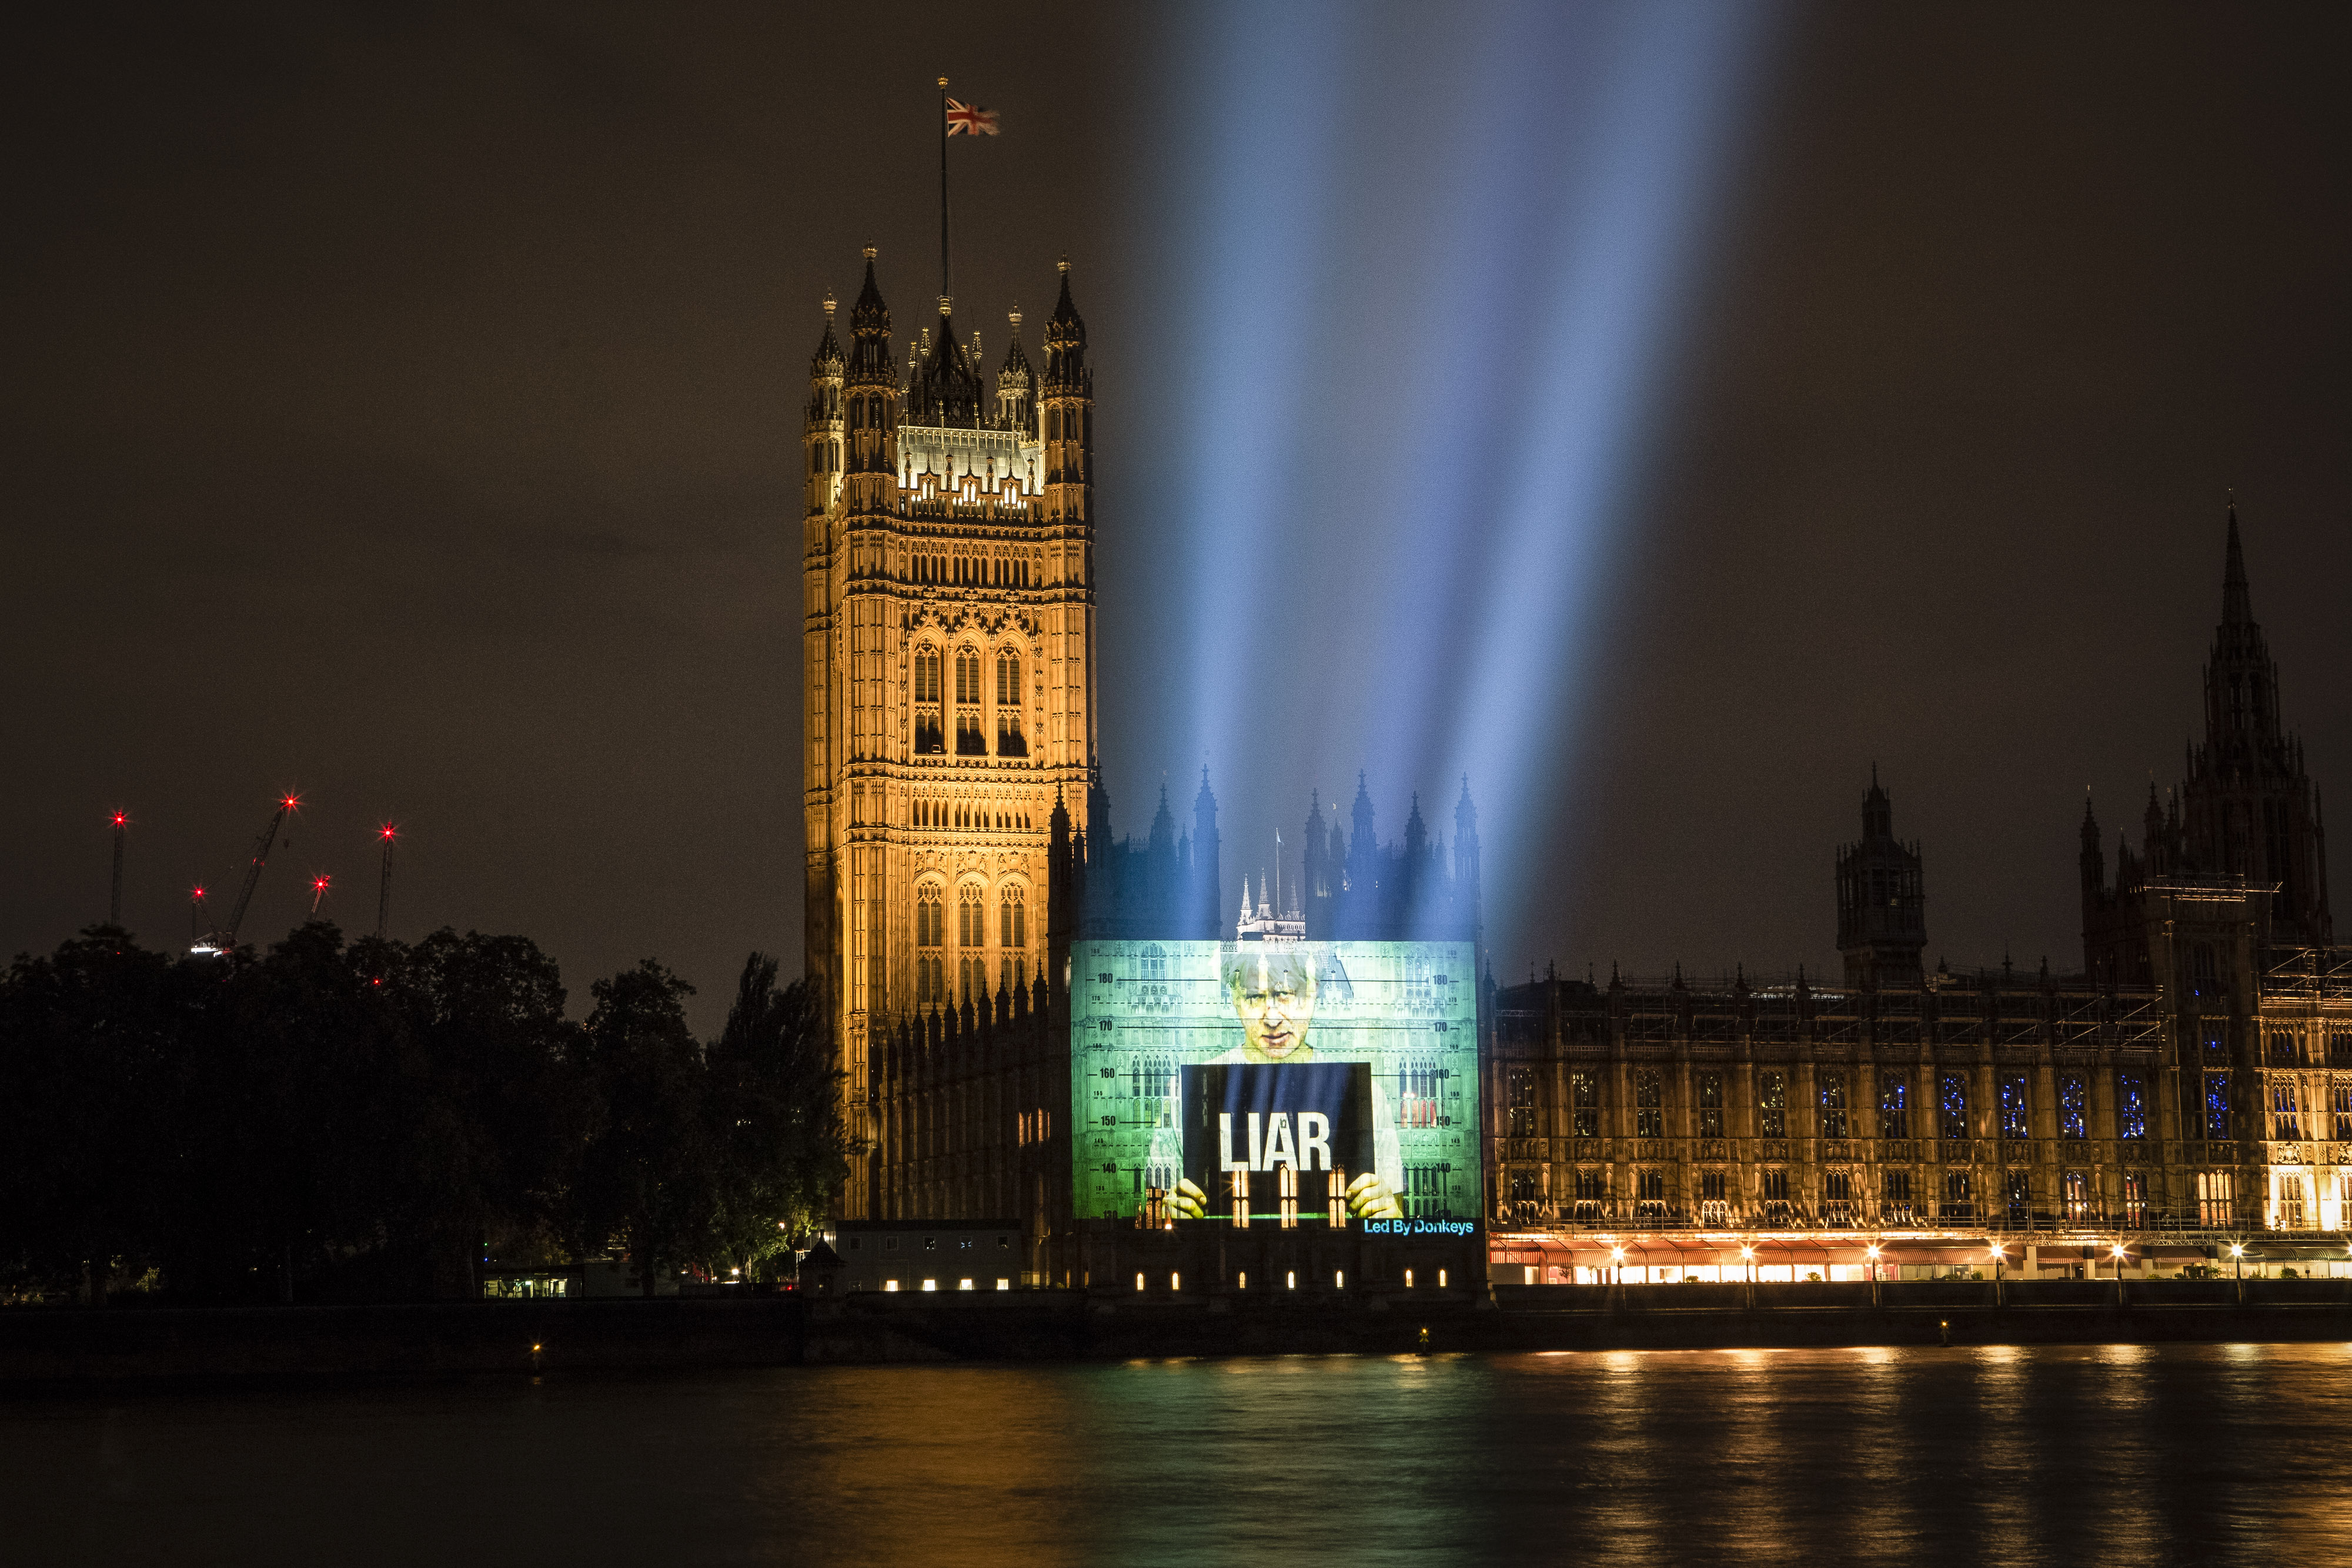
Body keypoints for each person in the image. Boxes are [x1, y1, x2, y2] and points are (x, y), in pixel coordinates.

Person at [1162, 943, 1405, 1221]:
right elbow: (1152, 1216)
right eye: (1255, 996)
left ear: (1312, 993)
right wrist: (1167, 1216)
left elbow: (1395, 1218)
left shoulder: (1369, 1098)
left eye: (1285, 994)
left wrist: (1389, 1216)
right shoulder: (1184, 1097)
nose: (1273, 1018)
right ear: (1235, 997)